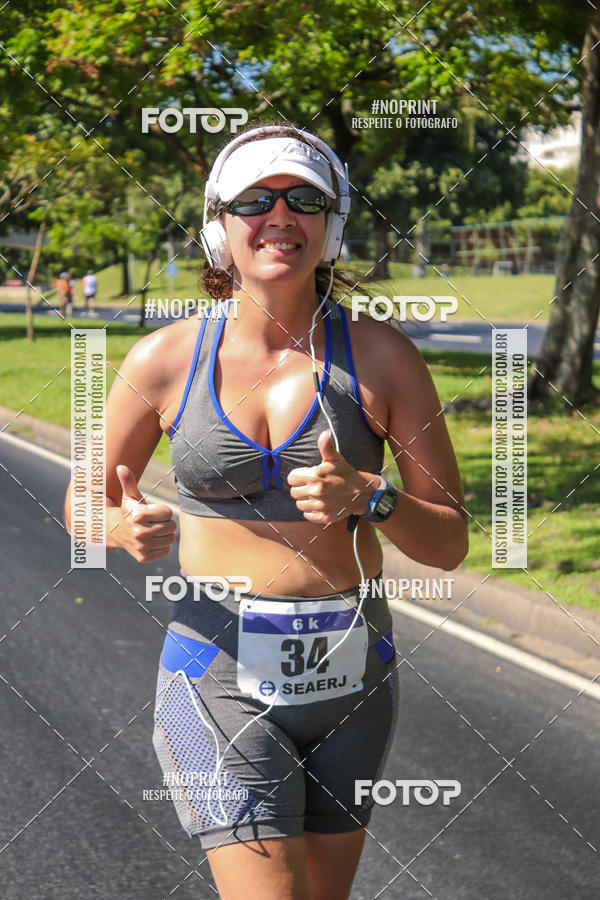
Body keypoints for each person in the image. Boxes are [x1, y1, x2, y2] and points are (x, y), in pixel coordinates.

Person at [64, 123, 468, 899]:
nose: (279, 215)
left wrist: (372, 498)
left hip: (354, 677)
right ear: (222, 224)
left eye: (303, 199)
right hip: (212, 671)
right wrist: (115, 525)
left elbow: (449, 543)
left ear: (331, 223)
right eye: (256, 199)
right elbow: (85, 497)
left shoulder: (384, 357)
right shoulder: (168, 357)